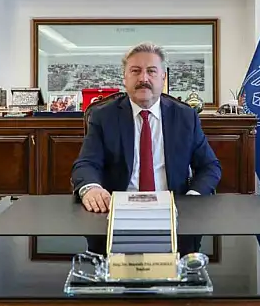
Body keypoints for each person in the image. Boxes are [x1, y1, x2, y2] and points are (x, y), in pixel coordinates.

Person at [71, 42, 222, 255]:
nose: (144, 78)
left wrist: (191, 199)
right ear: (124, 78)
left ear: (163, 78)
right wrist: (92, 188)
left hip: (174, 217)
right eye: (135, 71)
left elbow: (209, 166)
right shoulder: (103, 116)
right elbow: (86, 163)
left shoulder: (185, 116)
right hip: (116, 217)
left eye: (151, 71)